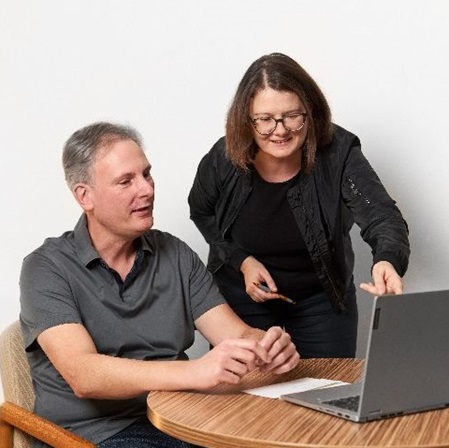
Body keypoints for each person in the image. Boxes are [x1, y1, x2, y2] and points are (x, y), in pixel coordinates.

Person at [19, 122, 299, 448]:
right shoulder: (47, 266)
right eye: (126, 181)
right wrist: (197, 373)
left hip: (179, 418)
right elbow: (85, 375)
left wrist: (267, 346)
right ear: (85, 196)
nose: (147, 189)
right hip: (94, 435)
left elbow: (235, 334)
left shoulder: (175, 254)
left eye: (147, 174)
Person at [188, 52, 410, 359]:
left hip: (322, 305)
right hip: (244, 304)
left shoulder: (338, 153)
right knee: (247, 403)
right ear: (246, 120)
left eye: (292, 116)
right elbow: (201, 211)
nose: (280, 130)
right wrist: (242, 260)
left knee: (328, 399)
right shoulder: (223, 159)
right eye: (265, 120)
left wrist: (386, 259)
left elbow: (382, 215)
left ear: (311, 112)